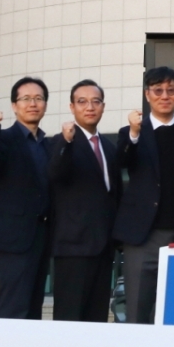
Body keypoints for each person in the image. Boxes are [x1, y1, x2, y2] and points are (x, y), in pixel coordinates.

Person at [114, 66, 174, 324]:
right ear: (147, 95)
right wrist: (134, 133)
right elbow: (122, 162)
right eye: (158, 90)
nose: (164, 96)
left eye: (171, 90)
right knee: (137, 311)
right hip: (141, 236)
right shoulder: (131, 133)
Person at [49, 80, 122, 323]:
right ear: (72, 107)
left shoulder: (109, 148)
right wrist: (66, 142)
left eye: (95, 101)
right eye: (82, 102)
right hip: (73, 247)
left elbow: (114, 195)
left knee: (97, 319)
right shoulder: (60, 142)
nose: (89, 107)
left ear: (103, 106)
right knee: (70, 318)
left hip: (103, 247)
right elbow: (56, 174)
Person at [0, 77, 51, 320]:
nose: (33, 103)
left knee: (33, 308)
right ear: (14, 105)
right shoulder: (3, 138)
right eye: (26, 98)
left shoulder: (47, 144)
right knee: (13, 307)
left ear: (45, 104)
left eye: (39, 98)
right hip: (12, 238)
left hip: (41, 237)